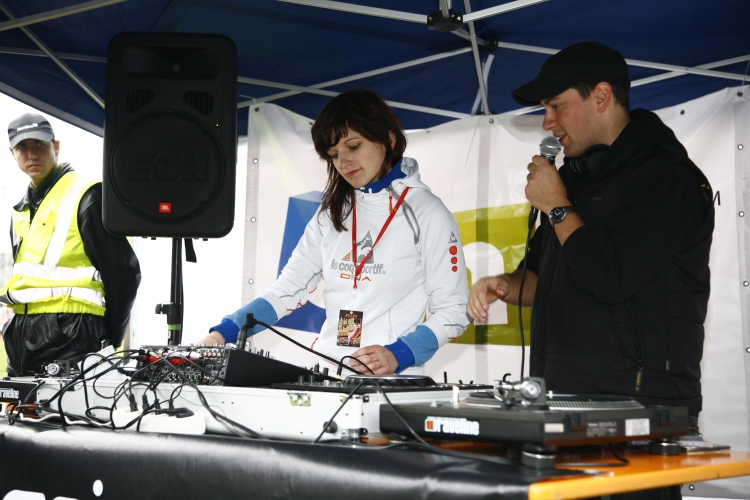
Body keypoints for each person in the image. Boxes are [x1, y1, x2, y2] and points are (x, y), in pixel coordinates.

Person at [468, 42, 713, 422]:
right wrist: (502, 284)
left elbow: (610, 276)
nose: (547, 123)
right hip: (562, 395)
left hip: (640, 404)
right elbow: (539, 277)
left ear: (601, 96)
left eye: (556, 106)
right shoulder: (574, 178)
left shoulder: (665, 176)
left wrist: (557, 206)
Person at [199, 89, 470, 375]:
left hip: (392, 380)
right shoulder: (331, 212)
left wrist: (397, 354)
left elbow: (454, 310)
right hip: (328, 372)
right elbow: (287, 290)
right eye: (334, 155)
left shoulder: (427, 212)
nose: (343, 162)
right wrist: (220, 335)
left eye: (353, 146)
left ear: (389, 140)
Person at [0, 113, 141, 376]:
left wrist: (110, 339)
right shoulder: (20, 210)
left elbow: (125, 274)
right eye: (23, 147)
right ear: (12, 153)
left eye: (40, 144)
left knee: (66, 405)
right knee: (20, 403)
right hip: (22, 341)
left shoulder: (87, 194)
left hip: (73, 338)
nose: (32, 154)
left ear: (56, 146)